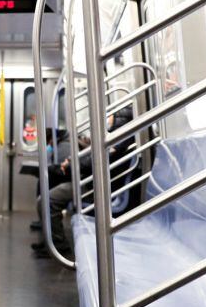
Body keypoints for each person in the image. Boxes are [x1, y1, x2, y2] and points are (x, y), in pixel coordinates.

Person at [33, 109, 135, 258]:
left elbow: (96, 161)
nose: (108, 119)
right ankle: (50, 240)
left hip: (95, 186)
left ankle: (58, 244)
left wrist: (72, 164)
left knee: (48, 200)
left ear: (119, 119)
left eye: (110, 116)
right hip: (92, 180)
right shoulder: (115, 137)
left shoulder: (118, 139)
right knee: (47, 193)